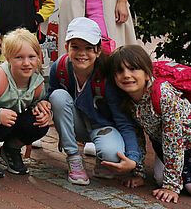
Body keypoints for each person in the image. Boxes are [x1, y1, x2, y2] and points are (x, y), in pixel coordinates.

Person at [110, 45, 191, 203]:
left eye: (133, 69)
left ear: (146, 72)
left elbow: (174, 140)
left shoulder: (163, 95)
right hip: (165, 142)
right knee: (158, 180)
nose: (127, 75)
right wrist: (139, 173)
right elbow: (136, 135)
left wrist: (171, 186)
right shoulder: (124, 99)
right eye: (120, 71)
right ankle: (181, 169)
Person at [47, 17, 143, 185]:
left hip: (103, 125)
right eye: (75, 47)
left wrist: (133, 158)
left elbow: (123, 121)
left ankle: (103, 159)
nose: (82, 53)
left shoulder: (107, 75)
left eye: (89, 48)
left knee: (113, 156)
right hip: (76, 123)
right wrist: (43, 105)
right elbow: (50, 98)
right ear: (66, 48)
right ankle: (73, 157)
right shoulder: (59, 67)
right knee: (57, 96)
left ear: (98, 51)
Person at [0, 29, 51, 177]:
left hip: (10, 121)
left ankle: (11, 148)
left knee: (39, 122)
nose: (27, 63)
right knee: (5, 119)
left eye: (32, 57)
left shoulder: (38, 82)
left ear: (39, 57)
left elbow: (38, 103)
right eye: (19, 57)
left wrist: (43, 109)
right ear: (8, 58)